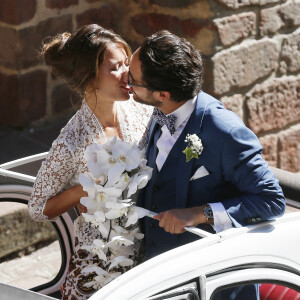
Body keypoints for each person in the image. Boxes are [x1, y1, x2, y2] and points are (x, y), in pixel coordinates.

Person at [128, 30, 286, 299]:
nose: (126, 83)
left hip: (211, 284)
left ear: (162, 94)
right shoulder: (160, 111)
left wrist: (201, 213)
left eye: (133, 80)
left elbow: (271, 200)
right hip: (162, 276)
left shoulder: (226, 132)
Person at [28, 24, 152, 300]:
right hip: (97, 267)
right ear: (90, 77)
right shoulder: (71, 141)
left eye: (126, 65)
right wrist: (83, 190)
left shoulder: (143, 113)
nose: (127, 75)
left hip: (149, 256)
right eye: (116, 67)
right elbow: (37, 208)